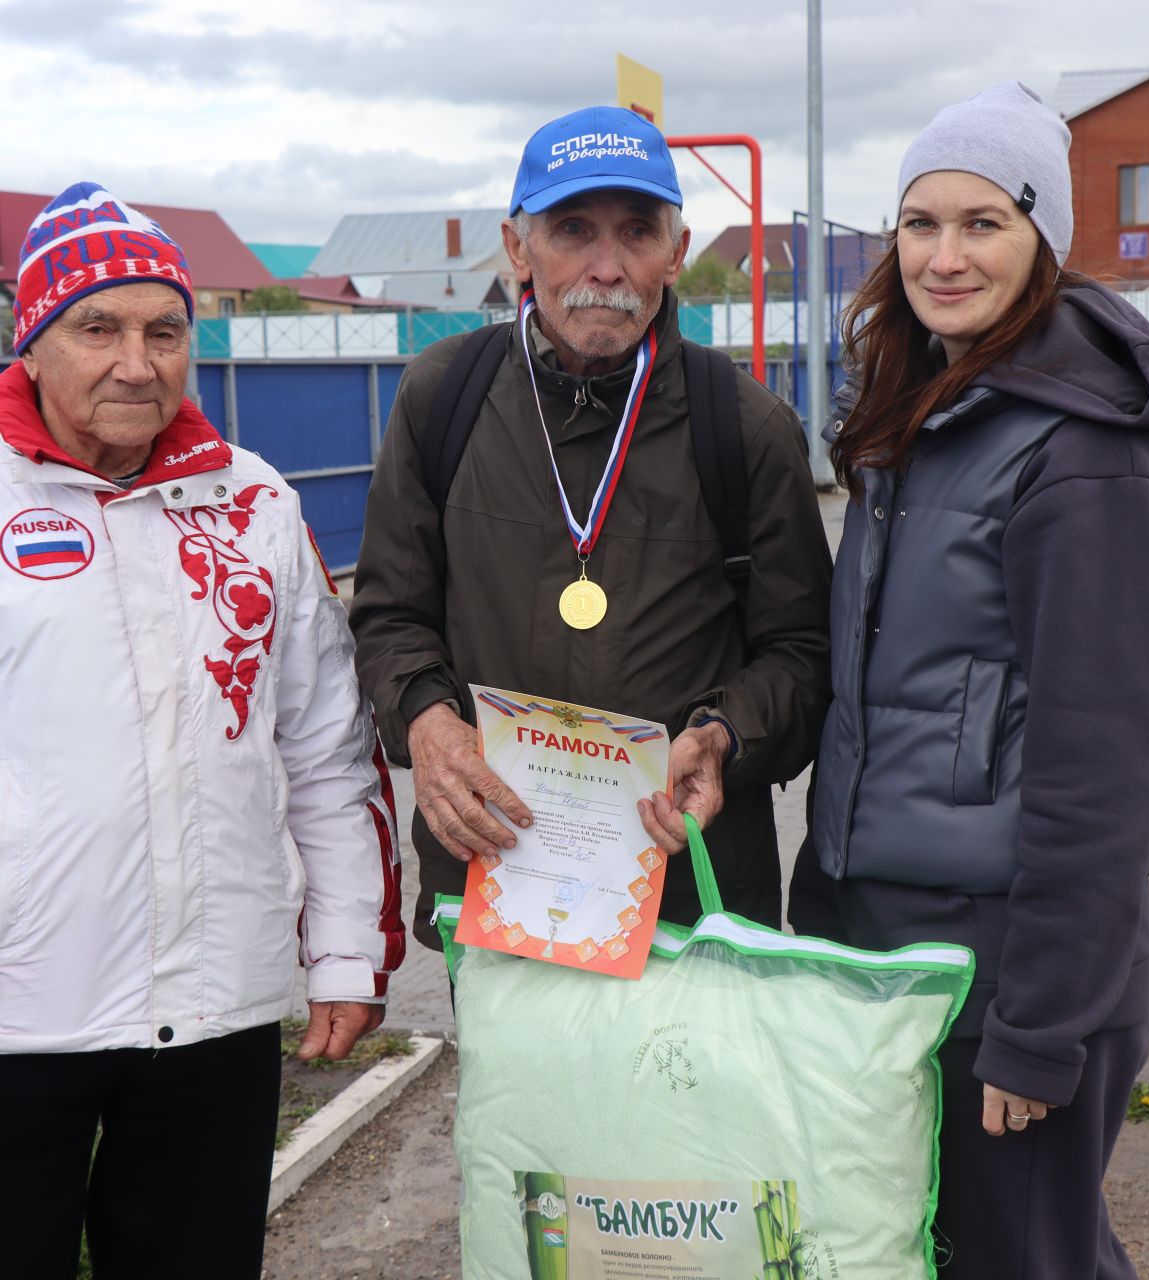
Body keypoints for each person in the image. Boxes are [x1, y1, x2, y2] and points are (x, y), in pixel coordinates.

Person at [0, 183, 404, 1278]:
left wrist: (350, 951)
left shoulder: (253, 504)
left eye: (165, 330)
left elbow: (327, 751)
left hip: (219, 1015)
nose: (136, 360)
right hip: (1, 1029)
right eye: (98, 327)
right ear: (33, 342)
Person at [789, 83, 1149, 1278]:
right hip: (888, 944)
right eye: (921, 223)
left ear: (1045, 243)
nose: (945, 255)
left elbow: (1104, 768)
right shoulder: (922, 415)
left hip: (1006, 967)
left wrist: (1041, 1024)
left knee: (1027, 1258)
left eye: (984, 222)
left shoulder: (1088, 459)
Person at [349, 106, 832, 949]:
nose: (605, 268)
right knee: (513, 1090)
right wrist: (426, 722)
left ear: (676, 252)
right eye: (572, 229)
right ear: (517, 246)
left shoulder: (745, 426)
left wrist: (724, 738)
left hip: (689, 894)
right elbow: (390, 616)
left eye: (637, 232)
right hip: (497, 874)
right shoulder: (443, 398)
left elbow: (802, 653)